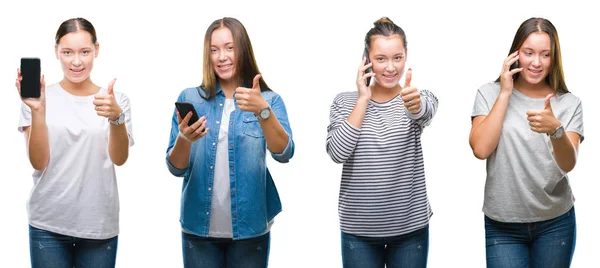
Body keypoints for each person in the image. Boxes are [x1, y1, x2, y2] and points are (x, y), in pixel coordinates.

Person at [165, 17, 294, 268]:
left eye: (229, 47)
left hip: (251, 229)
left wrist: (262, 112)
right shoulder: (190, 97)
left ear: (242, 49)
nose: (221, 56)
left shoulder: (268, 99)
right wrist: (184, 138)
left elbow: (284, 153)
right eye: (214, 50)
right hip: (198, 230)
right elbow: (175, 167)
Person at [15, 17, 134, 268]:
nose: (76, 61)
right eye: (67, 52)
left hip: (98, 225)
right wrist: (38, 109)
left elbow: (119, 159)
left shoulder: (115, 100)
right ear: (56, 51)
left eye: (85, 52)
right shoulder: (38, 98)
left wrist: (116, 118)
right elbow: (39, 161)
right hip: (47, 223)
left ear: (96, 51)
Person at [326, 17, 438, 268]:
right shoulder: (345, 102)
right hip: (358, 230)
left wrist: (415, 104)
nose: (390, 67)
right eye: (381, 59)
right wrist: (363, 98)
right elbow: (337, 153)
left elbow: (424, 112)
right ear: (366, 59)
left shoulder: (416, 98)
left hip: (410, 228)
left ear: (406, 55)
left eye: (397, 58)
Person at [469, 17, 582, 268]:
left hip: (555, 222)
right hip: (503, 224)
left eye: (545, 54)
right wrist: (506, 92)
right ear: (515, 53)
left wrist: (556, 130)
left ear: (554, 59)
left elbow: (568, 163)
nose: (536, 62)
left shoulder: (569, 103)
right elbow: (481, 149)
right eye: (528, 52)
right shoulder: (489, 93)